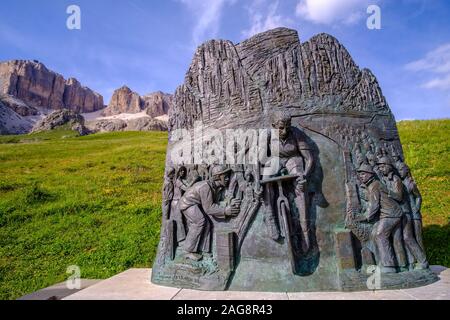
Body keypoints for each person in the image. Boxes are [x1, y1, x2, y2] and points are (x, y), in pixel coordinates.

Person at [263, 111, 314, 250]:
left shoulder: (296, 133)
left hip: (293, 159)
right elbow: (259, 159)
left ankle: (305, 232)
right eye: (280, 127)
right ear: (273, 126)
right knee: (266, 177)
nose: (284, 131)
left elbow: (309, 158)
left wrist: (305, 176)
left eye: (287, 127)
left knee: (300, 182)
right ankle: (270, 216)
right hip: (275, 160)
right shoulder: (267, 135)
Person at [179, 165, 241, 261]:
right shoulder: (205, 187)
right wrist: (225, 211)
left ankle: (204, 250)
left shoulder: (216, 187)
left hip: (196, 204)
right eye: (225, 176)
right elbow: (209, 208)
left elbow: (214, 203)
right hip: (187, 204)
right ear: (217, 177)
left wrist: (229, 203)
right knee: (199, 222)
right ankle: (187, 251)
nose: (227, 179)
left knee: (207, 224)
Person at [354, 162, 406, 273]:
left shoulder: (374, 185)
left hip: (391, 214)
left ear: (370, 174)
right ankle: (385, 262)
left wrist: (365, 217)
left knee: (380, 235)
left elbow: (374, 206)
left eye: (363, 174)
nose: (361, 176)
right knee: (374, 234)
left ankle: (389, 266)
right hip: (389, 214)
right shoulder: (373, 185)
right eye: (360, 174)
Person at [398, 162, 428, 269]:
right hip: (405, 214)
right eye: (399, 170)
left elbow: (418, 197)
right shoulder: (400, 183)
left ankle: (423, 261)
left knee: (417, 237)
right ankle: (412, 261)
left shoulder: (411, 184)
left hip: (414, 215)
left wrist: (416, 208)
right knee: (406, 237)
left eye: (402, 170)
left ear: (407, 171)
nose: (400, 172)